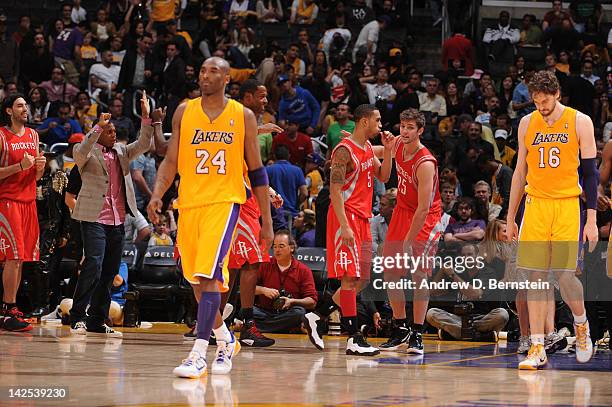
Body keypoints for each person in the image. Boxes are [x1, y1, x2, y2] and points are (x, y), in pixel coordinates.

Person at [147, 57, 273, 378]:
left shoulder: (241, 116)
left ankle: (198, 353)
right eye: (202, 70)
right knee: (197, 283)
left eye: (213, 71)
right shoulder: (183, 111)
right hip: (189, 203)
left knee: (209, 277)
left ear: (227, 78)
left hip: (224, 202)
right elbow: (171, 159)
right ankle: (225, 338)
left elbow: (257, 172)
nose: (205, 75)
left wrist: (267, 222)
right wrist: (157, 194)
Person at [506, 70, 597, 369]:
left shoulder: (580, 121)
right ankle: (537, 346)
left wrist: (592, 219)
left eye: (545, 101)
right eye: (536, 102)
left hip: (568, 205)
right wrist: (511, 217)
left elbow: (591, 175)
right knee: (534, 276)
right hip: (535, 205)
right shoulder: (526, 123)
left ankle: (581, 325)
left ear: (557, 94)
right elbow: (520, 172)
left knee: (564, 276)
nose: (541, 107)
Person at [303, 104, 394, 355]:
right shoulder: (344, 150)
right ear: (364, 121)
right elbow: (334, 190)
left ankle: (317, 315)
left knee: (362, 279)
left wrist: (388, 150)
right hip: (346, 217)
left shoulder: (365, 148)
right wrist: (344, 225)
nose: (380, 125)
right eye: (377, 120)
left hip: (364, 217)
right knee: (349, 278)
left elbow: (384, 177)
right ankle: (353, 337)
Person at [69, 93, 157, 338]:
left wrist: (147, 117)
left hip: (118, 218)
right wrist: (97, 126)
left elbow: (143, 144)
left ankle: (97, 319)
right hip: (93, 217)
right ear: (100, 132)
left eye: (115, 131)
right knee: (94, 264)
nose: (114, 134)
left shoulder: (120, 151)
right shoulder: (85, 151)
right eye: (110, 131)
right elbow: (79, 154)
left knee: (109, 270)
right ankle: (77, 316)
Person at [378, 109, 442, 355]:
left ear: (420, 130)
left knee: (418, 274)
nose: (404, 132)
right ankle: (400, 328)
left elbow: (424, 208)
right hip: (403, 211)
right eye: (402, 126)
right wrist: (354, 144)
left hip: (425, 217)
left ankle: (417, 333)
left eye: (410, 128)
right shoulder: (397, 144)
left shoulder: (425, 162)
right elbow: (375, 152)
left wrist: (408, 240)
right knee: (391, 271)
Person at [0, 94, 46, 332]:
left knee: (22, 259)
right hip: (7, 201)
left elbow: (35, 177)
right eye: (19, 105)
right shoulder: (1, 136)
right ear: (9, 111)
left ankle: (11, 308)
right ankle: (8, 309)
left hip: (29, 201)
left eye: (25, 105)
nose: (25, 109)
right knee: (13, 257)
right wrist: (19, 166)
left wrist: (39, 169)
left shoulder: (33, 135)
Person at [253, 230, 318, 332]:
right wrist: (263, 290)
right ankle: (287, 328)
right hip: (264, 311)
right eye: (274, 246)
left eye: (281, 246)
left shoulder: (303, 270)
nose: (277, 250)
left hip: (288, 312)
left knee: (299, 313)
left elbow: (312, 301)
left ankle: (259, 327)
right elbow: (247, 289)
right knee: (249, 311)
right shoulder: (264, 265)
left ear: (291, 248)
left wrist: (293, 301)